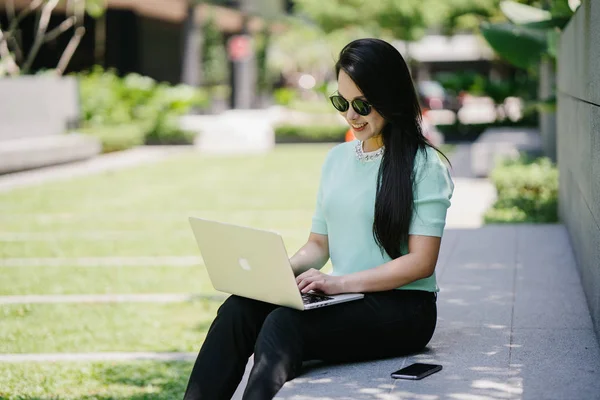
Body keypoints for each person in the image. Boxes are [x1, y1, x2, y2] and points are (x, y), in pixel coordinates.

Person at [183, 38, 454, 400]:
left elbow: (421, 263)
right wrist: (276, 275)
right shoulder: (336, 160)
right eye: (342, 103)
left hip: (404, 309)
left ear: (390, 97)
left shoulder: (425, 165)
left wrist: (338, 284)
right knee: (238, 309)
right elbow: (318, 245)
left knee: (284, 324)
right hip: (347, 298)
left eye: (362, 104)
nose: (350, 115)